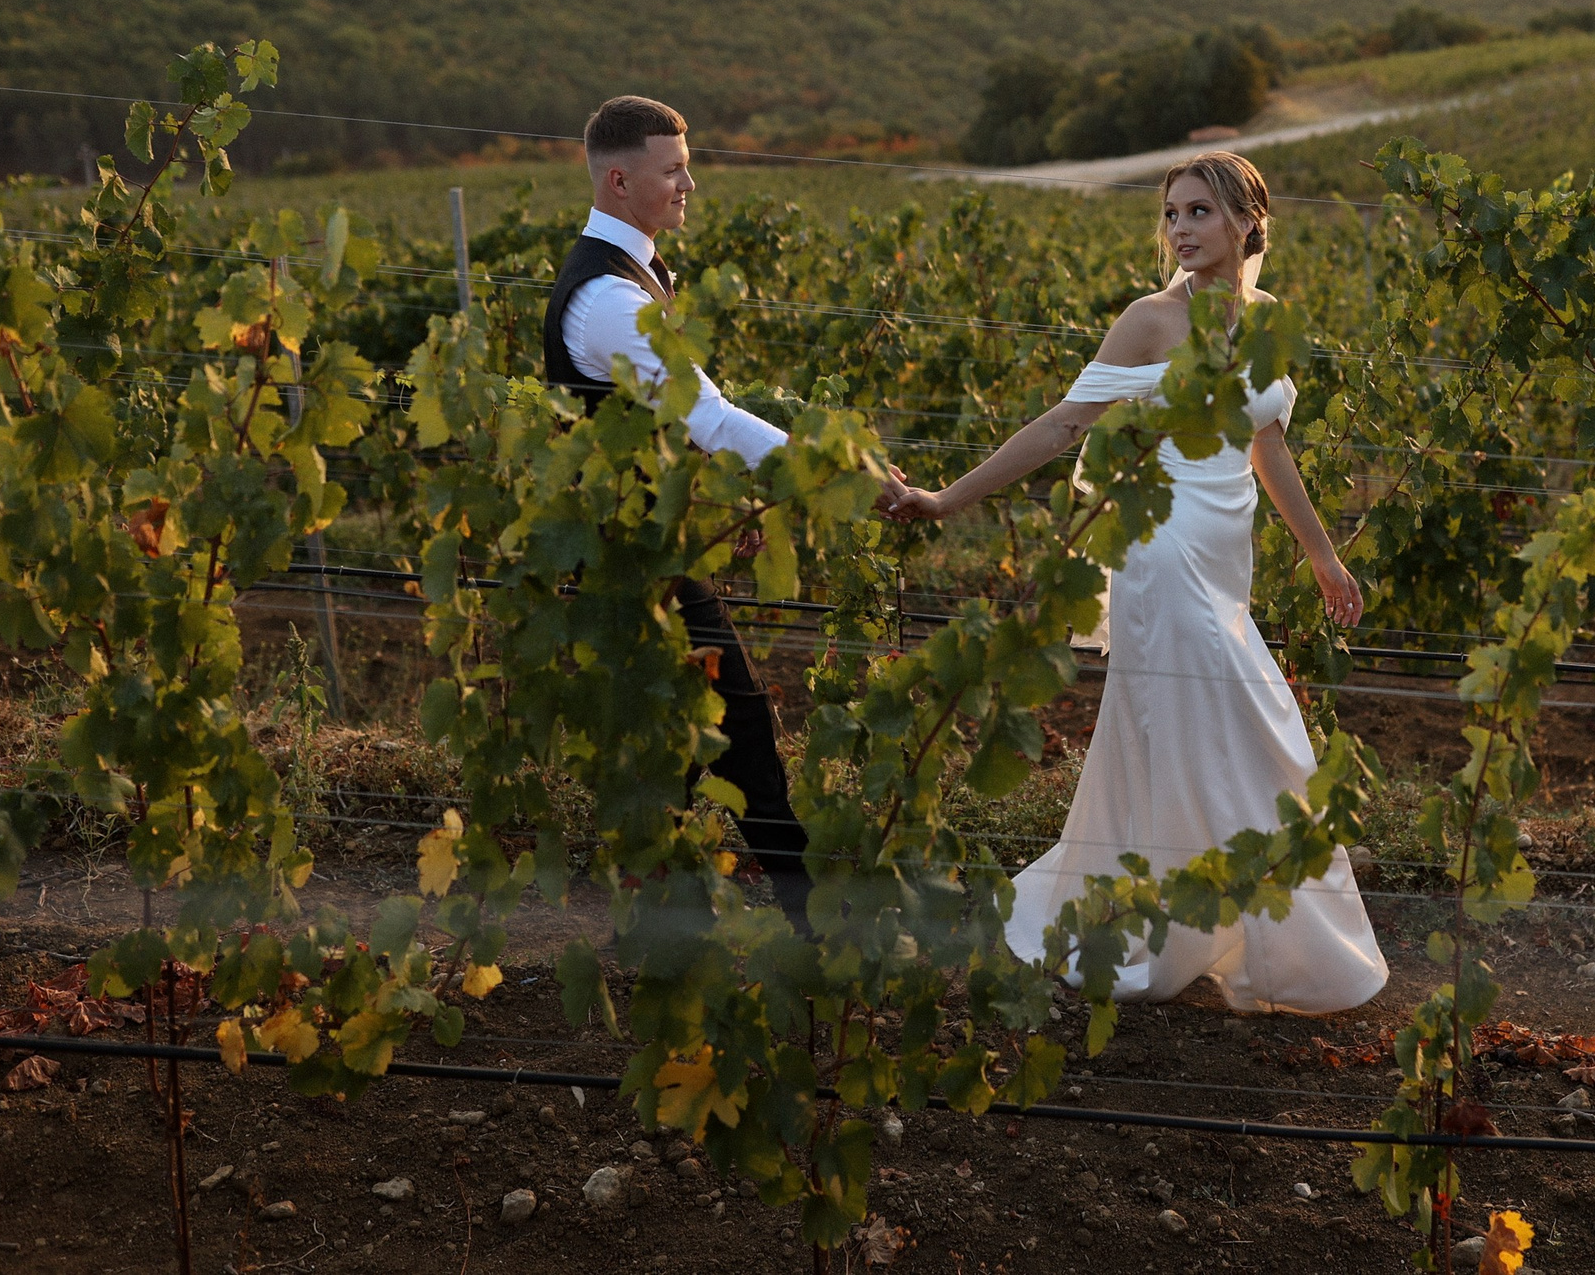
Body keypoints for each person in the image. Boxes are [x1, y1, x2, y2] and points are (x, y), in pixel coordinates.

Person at [883, 152, 1386, 1014]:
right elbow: (1064, 425)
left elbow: (1267, 446)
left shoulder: (1267, 318)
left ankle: (1193, 917)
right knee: (1237, 729)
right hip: (1160, 547)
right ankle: (1203, 933)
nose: (1180, 229)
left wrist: (1321, 553)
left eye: (1199, 212)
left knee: (1197, 731)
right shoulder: (1150, 321)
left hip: (1226, 557)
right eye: (1172, 214)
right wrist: (945, 499)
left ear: (1247, 223)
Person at [541, 94, 812, 925]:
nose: (689, 185)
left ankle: (658, 917)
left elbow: (665, 423)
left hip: (648, 548)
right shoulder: (608, 300)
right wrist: (838, 469)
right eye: (674, 171)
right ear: (620, 181)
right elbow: (708, 416)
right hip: (625, 562)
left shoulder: (637, 274)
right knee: (734, 726)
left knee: (687, 741)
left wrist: (722, 499)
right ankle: (808, 917)